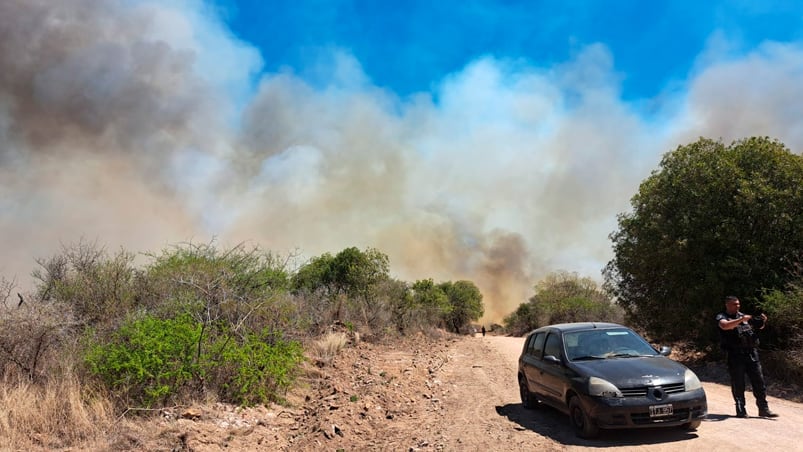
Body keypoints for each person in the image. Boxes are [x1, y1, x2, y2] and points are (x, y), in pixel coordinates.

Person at [716, 295, 779, 418]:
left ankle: (763, 409)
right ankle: (741, 410)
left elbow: (759, 327)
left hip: (751, 353)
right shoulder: (722, 316)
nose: (737, 306)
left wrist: (762, 321)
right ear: (727, 305)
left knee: (759, 382)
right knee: (738, 383)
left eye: (738, 304)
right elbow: (725, 326)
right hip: (735, 355)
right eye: (734, 304)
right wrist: (741, 320)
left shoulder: (743, 316)